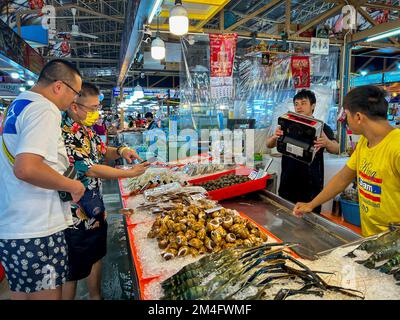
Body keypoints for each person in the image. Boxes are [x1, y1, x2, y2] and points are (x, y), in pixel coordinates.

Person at [0, 59, 86, 300]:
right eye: (75, 93)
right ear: (59, 86)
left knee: (22, 293)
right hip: (38, 226)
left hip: (15, 226)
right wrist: (73, 185)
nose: (74, 101)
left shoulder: (19, 103)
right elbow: (26, 168)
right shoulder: (44, 109)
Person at [61, 83, 149, 300]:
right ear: (74, 106)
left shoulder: (86, 129)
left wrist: (121, 151)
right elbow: (89, 168)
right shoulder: (64, 133)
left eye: (97, 107)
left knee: (96, 254)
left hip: (95, 207)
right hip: (73, 213)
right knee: (71, 269)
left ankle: (95, 296)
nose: (96, 113)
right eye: (92, 108)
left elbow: (101, 152)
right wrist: (128, 174)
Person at [294, 85, 400, 237]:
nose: (344, 120)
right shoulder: (365, 141)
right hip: (372, 238)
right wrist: (311, 205)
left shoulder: (396, 146)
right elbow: (343, 178)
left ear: (358, 117)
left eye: (346, 115)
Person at [267, 89, 339, 213]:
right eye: (296, 104)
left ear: (313, 106)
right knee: (287, 219)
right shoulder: (286, 124)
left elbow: (336, 149)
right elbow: (268, 144)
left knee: (310, 223)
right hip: (287, 183)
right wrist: (274, 136)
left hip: (311, 186)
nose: (299, 107)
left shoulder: (322, 127)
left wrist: (327, 142)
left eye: (303, 103)